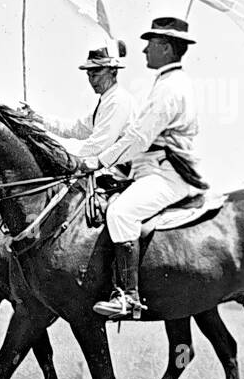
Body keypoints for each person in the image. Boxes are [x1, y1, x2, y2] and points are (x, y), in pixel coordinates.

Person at [81, 16, 206, 319]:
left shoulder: (170, 88)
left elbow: (139, 137)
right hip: (150, 170)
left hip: (167, 174)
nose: (144, 51)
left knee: (121, 212)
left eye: (149, 44)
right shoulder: (165, 82)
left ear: (165, 47)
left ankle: (128, 297)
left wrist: (99, 160)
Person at [32, 41, 136, 162]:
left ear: (113, 71)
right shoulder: (107, 100)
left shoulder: (118, 100)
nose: (92, 80)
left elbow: (98, 145)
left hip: (124, 171)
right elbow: (77, 128)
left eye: (97, 73)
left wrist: (70, 162)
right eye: (89, 75)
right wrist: (38, 118)